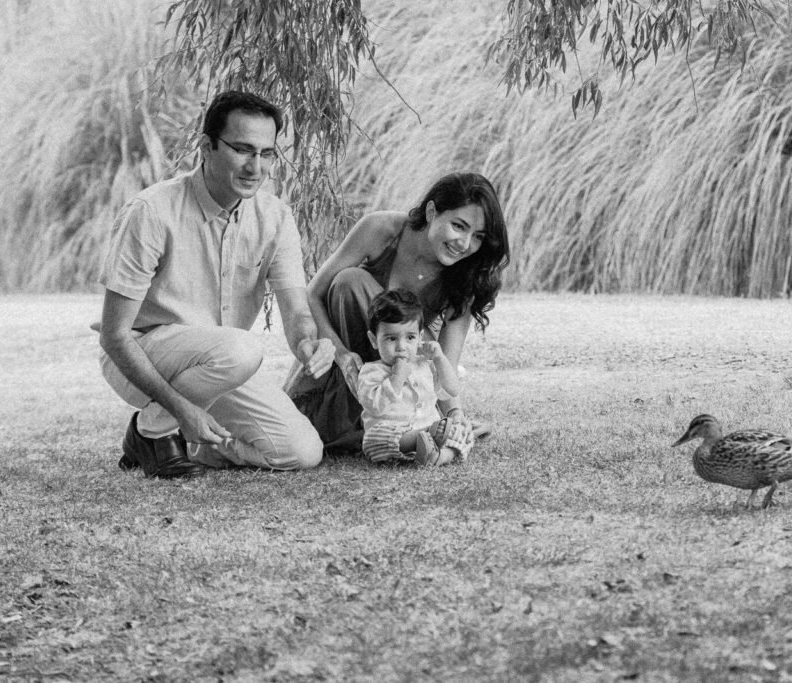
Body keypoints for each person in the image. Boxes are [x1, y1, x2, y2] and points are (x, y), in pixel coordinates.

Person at [98, 90, 335, 478]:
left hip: (221, 366)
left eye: (267, 154)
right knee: (241, 349)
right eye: (242, 150)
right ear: (207, 146)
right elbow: (114, 336)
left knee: (302, 452)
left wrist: (309, 342)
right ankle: (155, 431)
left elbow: (296, 312)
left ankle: (181, 439)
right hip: (142, 357)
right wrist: (181, 408)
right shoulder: (152, 211)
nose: (255, 167)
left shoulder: (276, 218)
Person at [284, 171, 510, 454]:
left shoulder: (467, 275)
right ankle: (349, 423)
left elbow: (444, 364)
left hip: (398, 385)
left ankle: (390, 427)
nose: (464, 244)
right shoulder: (380, 229)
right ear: (431, 211)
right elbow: (312, 295)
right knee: (350, 282)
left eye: (477, 236)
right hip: (341, 366)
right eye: (458, 226)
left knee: (413, 335)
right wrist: (342, 356)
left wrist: (455, 416)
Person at [358, 289, 475, 466]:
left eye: (410, 337)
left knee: (459, 428)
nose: (401, 346)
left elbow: (452, 389)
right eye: (391, 338)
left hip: (433, 429)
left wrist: (440, 359)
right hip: (395, 438)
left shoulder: (425, 365)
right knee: (373, 438)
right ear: (374, 340)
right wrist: (397, 377)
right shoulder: (371, 372)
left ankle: (441, 456)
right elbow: (375, 407)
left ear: (420, 337)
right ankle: (422, 441)